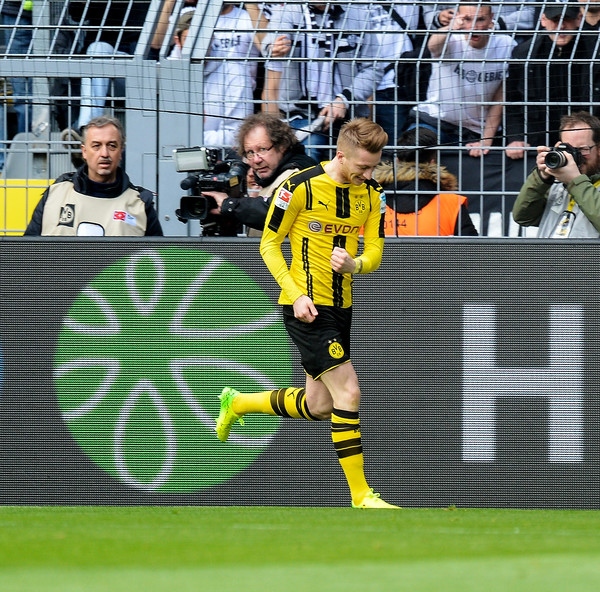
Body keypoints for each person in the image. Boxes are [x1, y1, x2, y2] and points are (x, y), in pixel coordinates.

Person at [215, 118, 399, 509]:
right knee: (349, 392)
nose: (368, 175)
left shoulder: (373, 194)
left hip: (342, 306)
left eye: (373, 167)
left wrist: (355, 265)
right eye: (362, 167)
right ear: (341, 155)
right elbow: (268, 244)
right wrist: (296, 294)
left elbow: (376, 253)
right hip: (306, 308)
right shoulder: (299, 186)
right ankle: (361, 495)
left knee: (319, 406)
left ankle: (238, 403)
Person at [260, 3, 382, 160]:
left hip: (349, 115)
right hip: (300, 115)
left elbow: (374, 68)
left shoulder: (359, 15)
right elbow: (270, 42)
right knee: (309, 159)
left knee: (354, 164)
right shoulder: (288, 12)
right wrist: (273, 48)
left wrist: (344, 100)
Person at [24, 115, 163, 236]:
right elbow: (27, 252)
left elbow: (159, 256)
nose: (104, 153)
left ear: (121, 151)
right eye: (96, 146)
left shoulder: (140, 204)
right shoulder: (56, 194)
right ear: (84, 151)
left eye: (112, 146)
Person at [406, 2, 516, 155]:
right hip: (436, 121)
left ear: (491, 18)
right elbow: (433, 47)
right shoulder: (450, 39)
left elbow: (500, 98)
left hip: (477, 130)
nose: (474, 27)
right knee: (413, 152)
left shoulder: (505, 44)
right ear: (458, 17)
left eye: (480, 19)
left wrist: (486, 140)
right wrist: (450, 27)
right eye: (467, 19)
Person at [505, 1, 595, 159]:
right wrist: (515, 137)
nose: (561, 26)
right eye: (555, 20)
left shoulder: (595, 52)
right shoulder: (525, 53)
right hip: (536, 143)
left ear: (579, 19)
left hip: (583, 144)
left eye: (566, 19)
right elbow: (513, 102)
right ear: (543, 20)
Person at [205, 112, 317, 234]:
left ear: (282, 146)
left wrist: (229, 205)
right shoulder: (274, 175)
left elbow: (274, 211)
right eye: (250, 152)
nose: (256, 160)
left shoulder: (297, 175)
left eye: (262, 149)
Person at [374, 127, 478, 236]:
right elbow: (471, 245)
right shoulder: (452, 204)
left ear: (397, 160)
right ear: (432, 162)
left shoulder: (372, 201)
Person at [65, 1, 152, 131]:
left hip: (143, 68)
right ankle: (88, 128)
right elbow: (76, 13)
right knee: (98, 49)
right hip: (103, 64)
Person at [512, 111, 600, 238]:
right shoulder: (557, 184)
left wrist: (575, 181)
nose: (574, 157)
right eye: (569, 150)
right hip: (549, 252)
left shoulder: (571, 182)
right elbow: (523, 217)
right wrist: (542, 178)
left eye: (582, 149)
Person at [0, 1, 33, 172]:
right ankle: (23, 156)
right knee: (24, 97)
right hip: (17, 11)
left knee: (26, 98)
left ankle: (25, 155)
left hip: (54, 14)